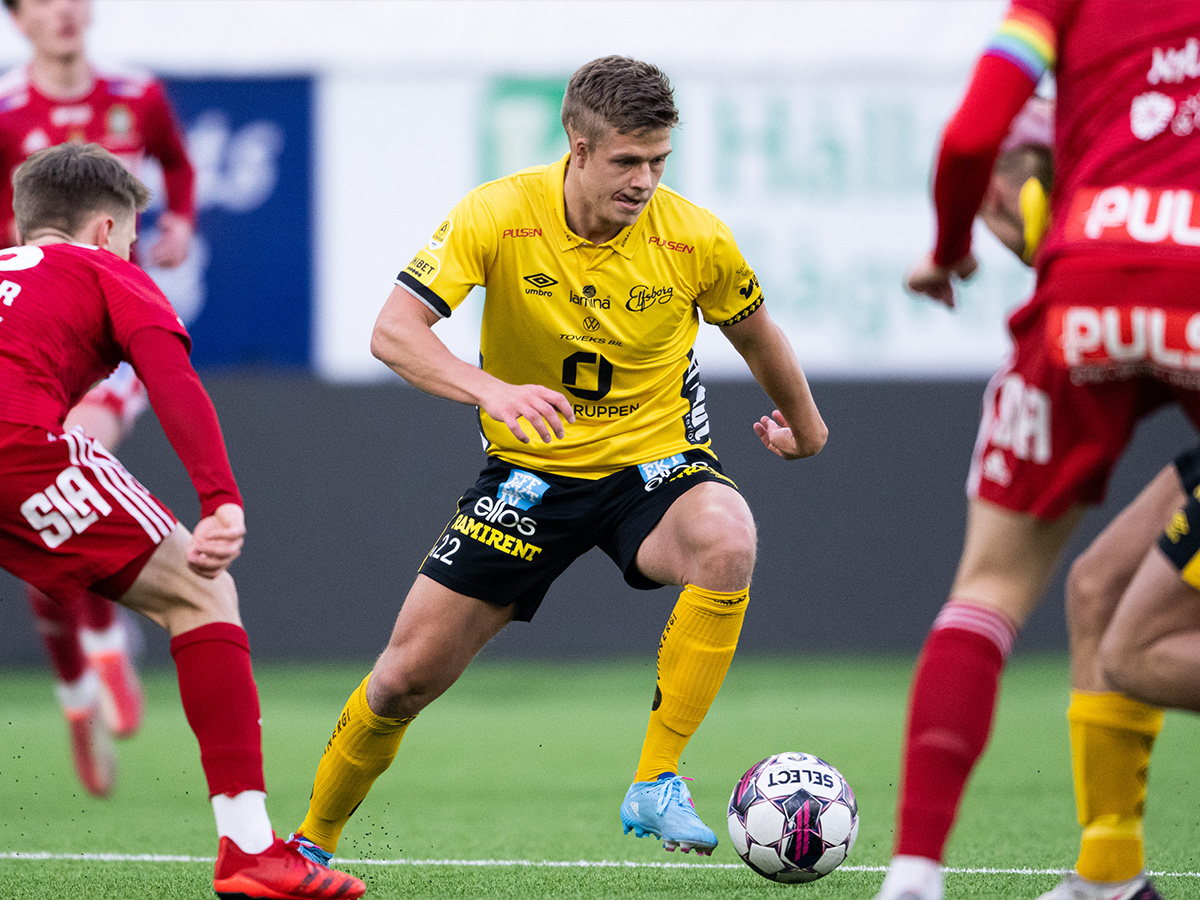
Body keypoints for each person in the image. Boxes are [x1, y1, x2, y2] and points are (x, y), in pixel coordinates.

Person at [285, 55, 827, 866]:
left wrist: (809, 431)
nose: (645, 181)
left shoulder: (695, 235)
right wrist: (489, 390)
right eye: (627, 161)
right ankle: (309, 846)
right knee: (402, 680)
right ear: (578, 146)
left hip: (656, 467)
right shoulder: (498, 213)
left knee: (727, 536)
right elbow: (393, 333)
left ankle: (658, 778)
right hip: (529, 477)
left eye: (659, 161)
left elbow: (757, 335)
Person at [875, 3, 1200, 900]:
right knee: (1104, 598)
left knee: (995, 589)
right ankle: (1110, 876)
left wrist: (948, 249)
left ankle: (914, 873)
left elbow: (971, 136)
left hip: (1088, 286)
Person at [0, 140, 365, 900]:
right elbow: (171, 379)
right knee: (200, 591)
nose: (133, 251)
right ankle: (250, 851)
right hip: (15, 445)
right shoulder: (105, 269)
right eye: (131, 237)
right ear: (106, 230)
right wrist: (219, 498)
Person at [0, 0, 197, 797]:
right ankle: (79, 689)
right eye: (43, 1)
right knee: (43, 520)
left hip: (106, 337)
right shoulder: (8, 111)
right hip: (33, 341)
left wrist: (179, 223)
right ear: (19, 19)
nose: (65, 11)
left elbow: (177, 165)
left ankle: (105, 646)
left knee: (73, 463)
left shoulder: (136, 94)